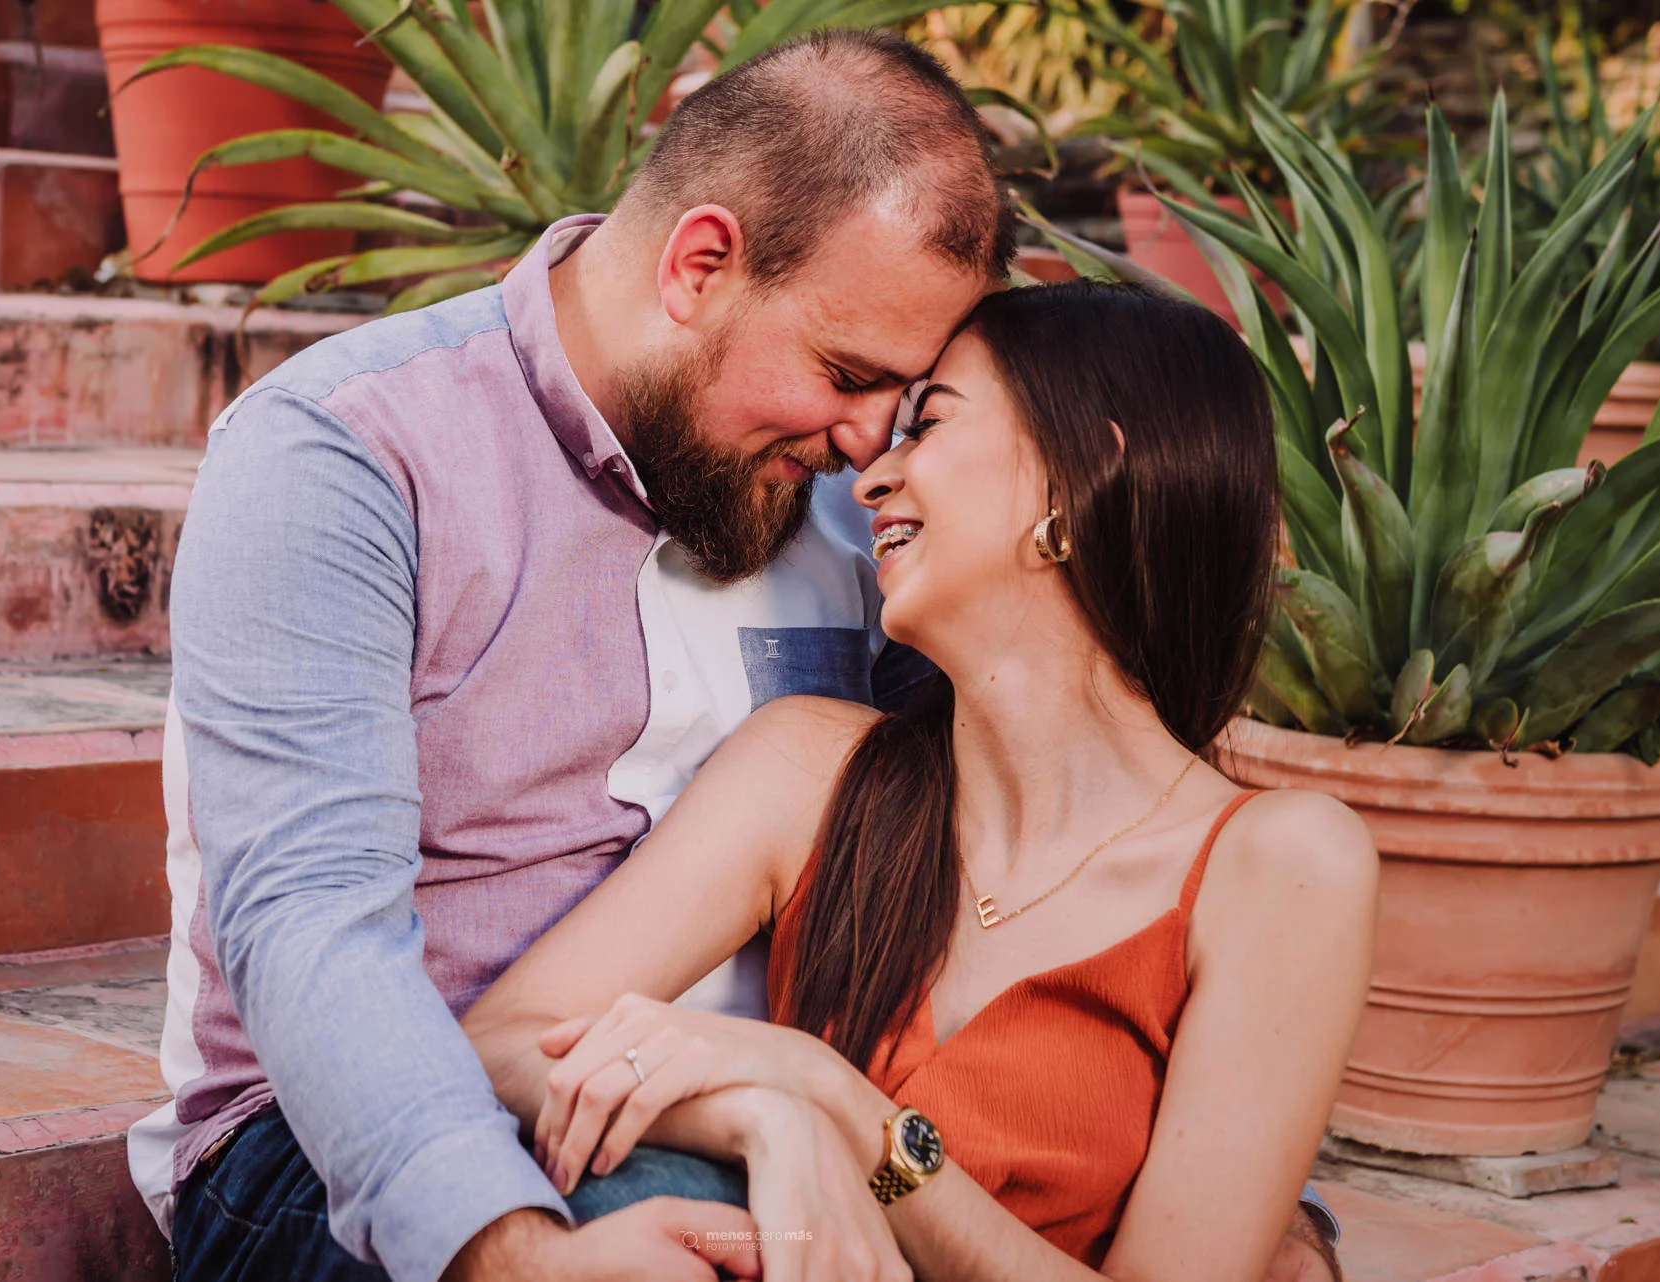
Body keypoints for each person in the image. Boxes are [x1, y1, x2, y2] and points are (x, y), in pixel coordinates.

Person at [130, 24, 1344, 1281]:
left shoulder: (857, 518)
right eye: (850, 373)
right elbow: (307, 925)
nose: (873, 442)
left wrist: (1264, 1210)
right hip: (366, 1151)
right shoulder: (348, 455)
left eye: (915, 399)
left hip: (775, 1126)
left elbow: (1068, 806)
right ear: (700, 264)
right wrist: (520, 1256)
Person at [463, 282, 1379, 1281]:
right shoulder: (808, 772)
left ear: (1084, 477)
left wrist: (847, 1109)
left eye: (928, 425)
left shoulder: (1280, 864)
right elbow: (500, 1040)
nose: (869, 480)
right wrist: (762, 1113)